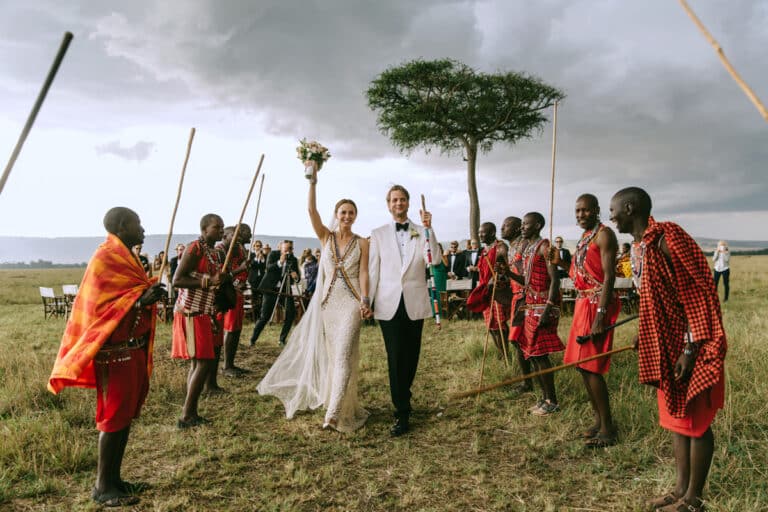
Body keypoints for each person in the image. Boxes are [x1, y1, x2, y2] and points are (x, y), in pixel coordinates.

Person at [610, 187, 727, 512]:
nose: (611, 216)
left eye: (613, 210)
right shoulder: (640, 248)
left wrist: (690, 349)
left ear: (630, 208)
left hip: (692, 346)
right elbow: (656, 299)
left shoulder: (667, 237)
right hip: (666, 346)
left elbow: (699, 294)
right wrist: (644, 332)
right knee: (676, 419)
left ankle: (694, 499)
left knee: (697, 422)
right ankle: (679, 490)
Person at [48, 207, 166, 507]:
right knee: (112, 419)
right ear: (122, 226)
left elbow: (132, 297)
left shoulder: (128, 258)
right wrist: (141, 299)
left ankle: (115, 479)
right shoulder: (105, 258)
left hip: (132, 348)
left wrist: (149, 294)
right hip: (115, 353)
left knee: (124, 418)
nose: (143, 229)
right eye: (138, 224)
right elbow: (105, 306)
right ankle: (102, 487)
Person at [258, 163, 370, 432]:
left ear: (355, 216)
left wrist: (366, 299)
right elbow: (311, 210)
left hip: (352, 303)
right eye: (343, 212)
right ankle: (337, 401)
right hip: (328, 304)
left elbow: (364, 272)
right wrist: (313, 182)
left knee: (343, 354)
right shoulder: (325, 237)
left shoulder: (363, 242)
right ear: (336, 214)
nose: (347, 216)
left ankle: (332, 415)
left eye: (351, 213)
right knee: (334, 356)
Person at [369, 184, 440, 436]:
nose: (398, 203)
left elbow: (436, 260)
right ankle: (401, 412)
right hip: (388, 303)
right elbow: (373, 270)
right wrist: (368, 301)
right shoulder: (377, 234)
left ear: (408, 203)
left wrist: (430, 229)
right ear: (388, 204)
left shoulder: (421, 232)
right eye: (394, 200)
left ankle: (404, 395)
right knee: (395, 357)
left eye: (402, 200)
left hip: (414, 301)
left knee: (411, 356)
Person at [562, 194, 621, 448]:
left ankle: (608, 428)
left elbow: (608, 278)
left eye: (585, 211)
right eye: (577, 211)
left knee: (592, 366)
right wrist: (560, 262)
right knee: (581, 365)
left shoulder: (604, 235)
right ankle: (598, 420)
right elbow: (580, 275)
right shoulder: (585, 238)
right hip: (582, 303)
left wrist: (600, 316)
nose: (580, 215)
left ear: (596, 211)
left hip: (597, 305)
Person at [171, 213, 227, 427]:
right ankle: (187, 415)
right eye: (216, 227)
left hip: (203, 312)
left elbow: (212, 281)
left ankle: (190, 411)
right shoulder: (194, 247)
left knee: (199, 362)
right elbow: (178, 280)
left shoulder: (213, 252)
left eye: (222, 227)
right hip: (190, 312)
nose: (220, 231)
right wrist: (209, 281)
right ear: (204, 229)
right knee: (203, 362)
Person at [508, 212, 564, 416]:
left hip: (543, 306)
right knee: (532, 354)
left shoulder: (544, 247)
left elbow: (555, 280)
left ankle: (553, 401)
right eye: (522, 224)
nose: (522, 227)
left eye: (526, 224)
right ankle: (544, 398)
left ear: (538, 225)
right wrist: (507, 273)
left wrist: (548, 308)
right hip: (530, 304)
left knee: (540, 354)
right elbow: (525, 280)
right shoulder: (530, 249)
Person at [468, 222, 510, 360]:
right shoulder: (484, 250)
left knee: (499, 324)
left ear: (492, 233)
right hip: (485, 291)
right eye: (479, 232)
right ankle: (500, 352)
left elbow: (508, 267)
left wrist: (498, 277)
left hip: (497, 291)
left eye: (483, 233)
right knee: (490, 324)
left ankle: (506, 354)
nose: (480, 235)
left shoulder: (501, 247)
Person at [500, 215, 533, 392]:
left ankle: (529, 381)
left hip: (527, 296)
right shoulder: (512, 247)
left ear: (516, 228)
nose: (502, 229)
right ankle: (527, 380)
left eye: (505, 226)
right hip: (516, 296)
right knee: (517, 340)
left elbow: (527, 276)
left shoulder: (525, 244)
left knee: (519, 339)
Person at [249, 240, 300, 347]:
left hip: (285, 290)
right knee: (265, 316)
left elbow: (297, 277)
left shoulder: (293, 259)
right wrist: (280, 262)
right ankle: (253, 339)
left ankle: (282, 339)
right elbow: (268, 268)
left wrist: (296, 277)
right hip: (270, 289)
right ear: (280, 248)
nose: (288, 251)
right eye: (286, 249)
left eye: (290, 248)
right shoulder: (273, 255)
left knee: (291, 313)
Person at [220, 224, 252, 377]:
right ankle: (226, 366)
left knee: (236, 329)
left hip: (238, 292)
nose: (249, 237)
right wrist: (241, 269)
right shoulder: (223, 249)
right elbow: (222, 274)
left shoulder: (240, 248)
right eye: (246, 233)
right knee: (231, 329)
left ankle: (230, 363)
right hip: (229, 293)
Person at [248, 240, 267, 321]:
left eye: (259, 246)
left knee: (262, 298)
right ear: (254, 247)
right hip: (253, 280)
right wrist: (256, 258)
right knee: (255, 298)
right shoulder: (251, 255)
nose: (258, 247)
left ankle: (261, 316)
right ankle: (255, 317)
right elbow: (252, 265)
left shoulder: (264, 256)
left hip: (261, 279)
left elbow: (265, 266)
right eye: (257, 246)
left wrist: (262, 259)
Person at [428, 242, 448, 316]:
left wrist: (441, 255)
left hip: (443, 276)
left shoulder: (444, 256)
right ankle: (436, 312)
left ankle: (444, 312)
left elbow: (446, 264)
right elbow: (433, 264)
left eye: (439, 248)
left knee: (443, 294)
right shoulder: (432, 256)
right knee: (436, 294)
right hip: (436, 277)